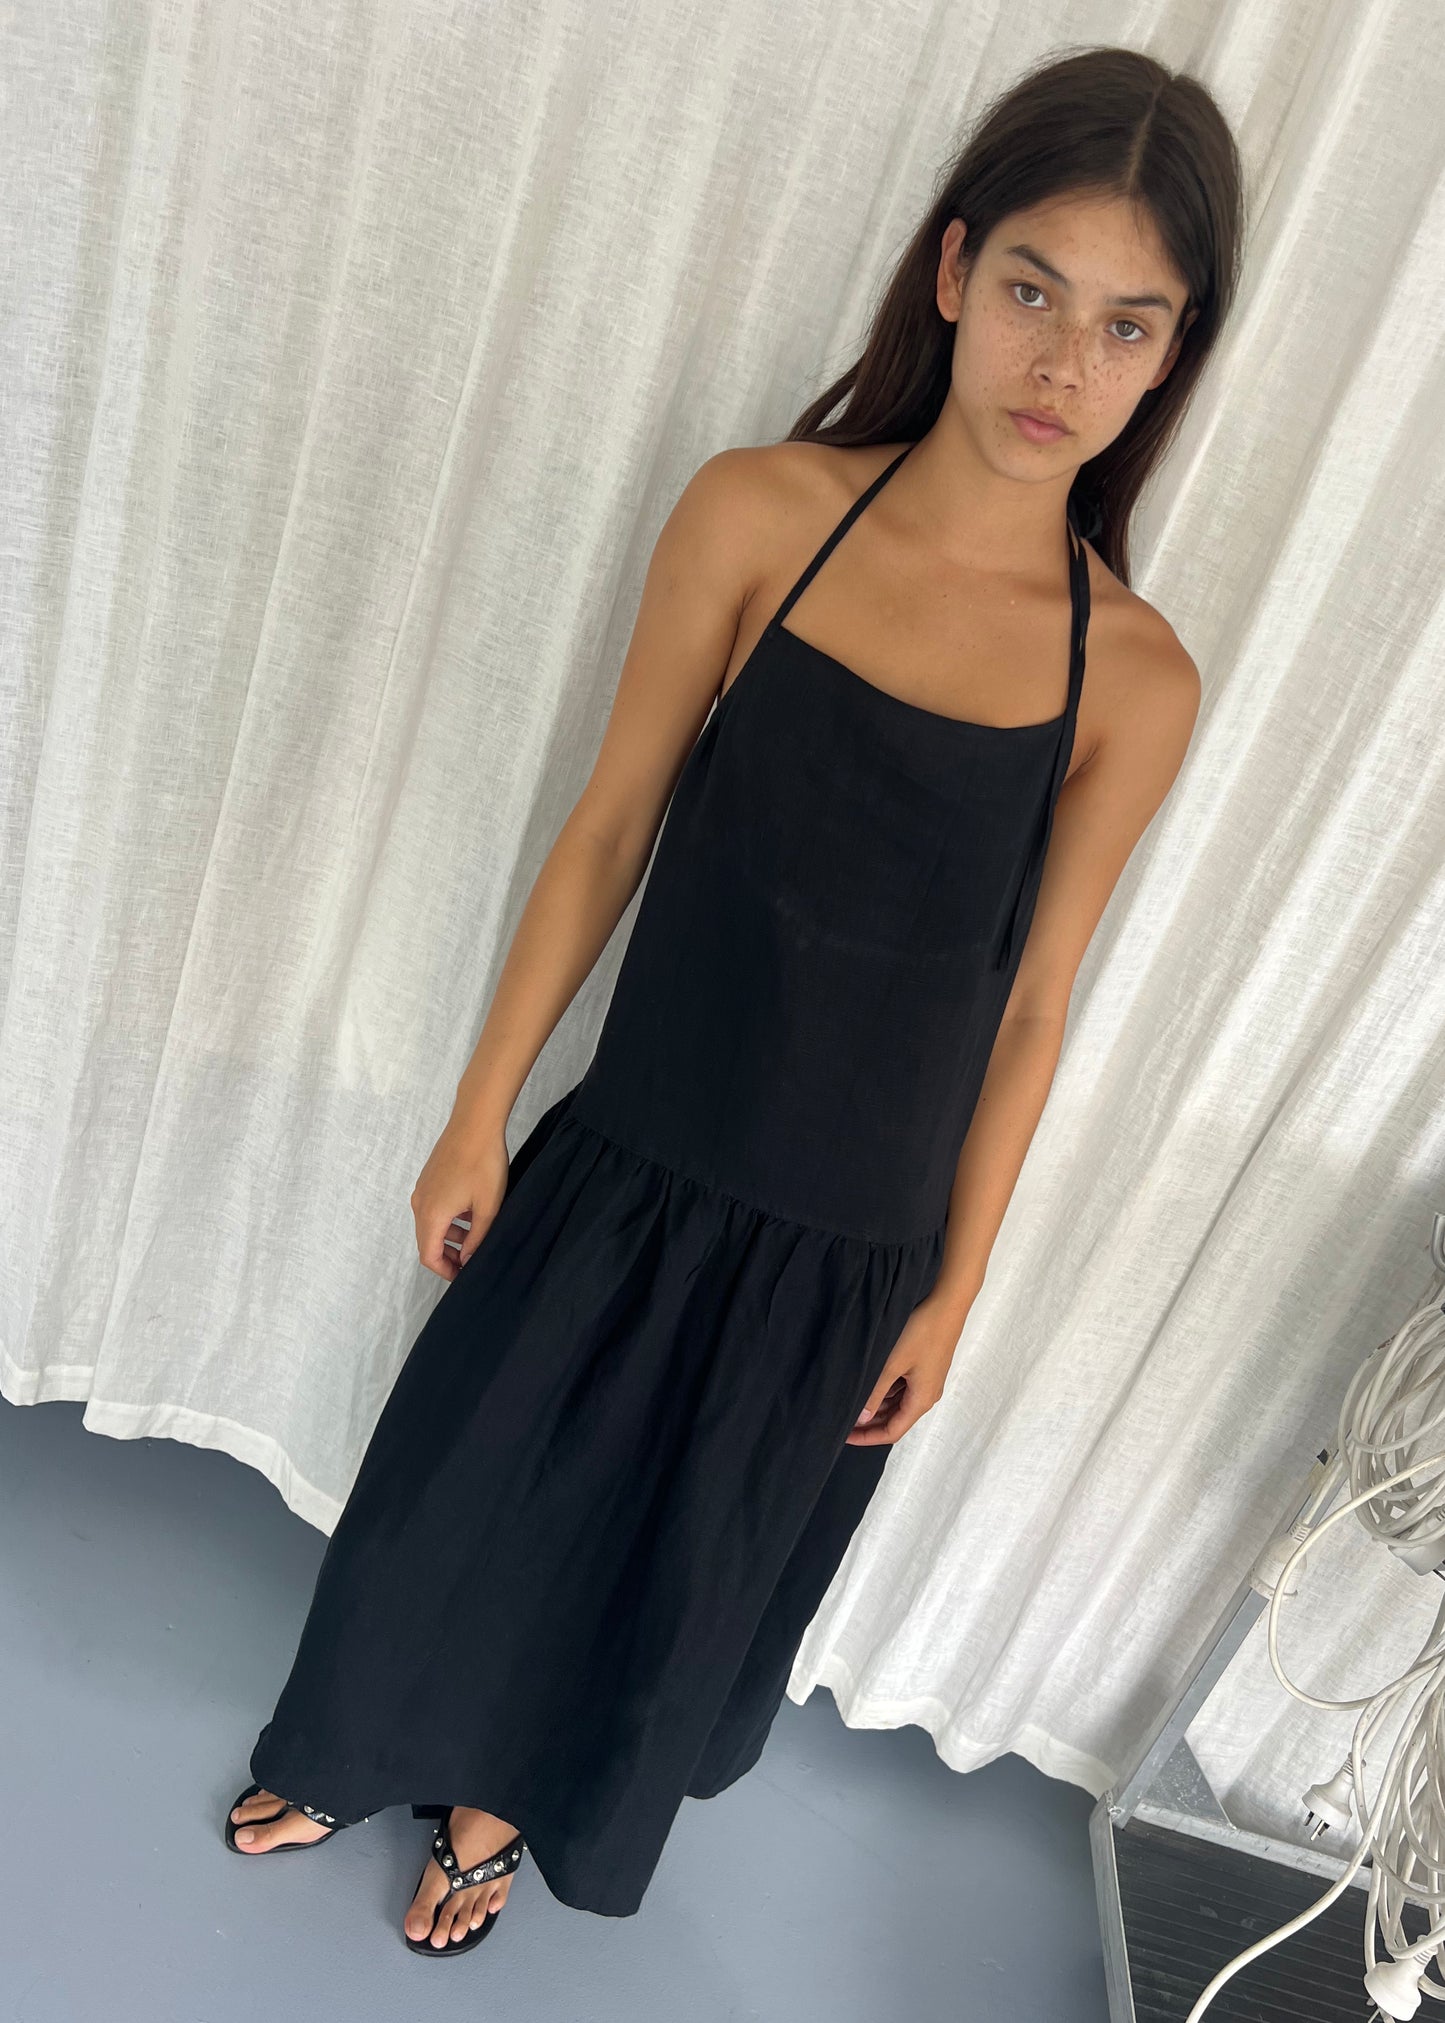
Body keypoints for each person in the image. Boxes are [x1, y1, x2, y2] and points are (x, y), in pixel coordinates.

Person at [223, 44, 1244, 1955]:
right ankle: (353, 1735)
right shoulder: (765, 513)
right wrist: (480, 1101)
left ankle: (495, 1814)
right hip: (638, 1146)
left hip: (845, 1234)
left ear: (1168, 358)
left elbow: (1033, 1009)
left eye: (1127, 325)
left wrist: (955, 1285)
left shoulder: (1135, 678)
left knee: (649, 1560)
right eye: (1031, 289)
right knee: (469, 1481)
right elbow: (608, 824)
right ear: (949, 273)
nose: (1061, 364)